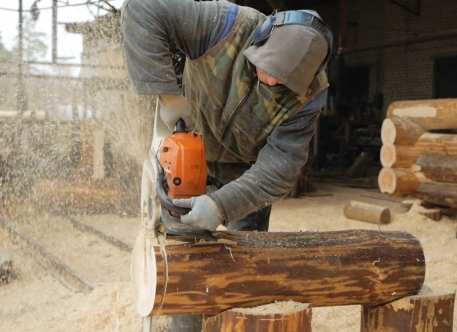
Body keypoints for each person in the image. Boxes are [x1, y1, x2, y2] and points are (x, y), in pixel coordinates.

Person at [121, 1, 331, 330]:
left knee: (242, 270)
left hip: (247, 174)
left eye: (284, 81)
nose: (273, 84)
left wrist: (222, 204)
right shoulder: (225, 26)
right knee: (186, 257)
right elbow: (142, 8)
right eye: (269, 69)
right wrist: (169, 97)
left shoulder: (311, 96)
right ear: (262, 40)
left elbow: (281, 167)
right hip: (193, 152)